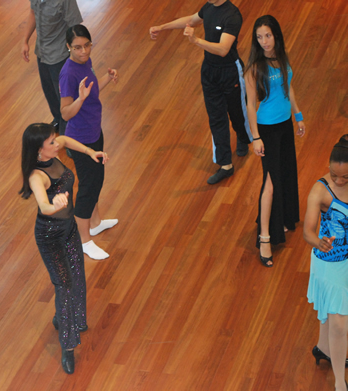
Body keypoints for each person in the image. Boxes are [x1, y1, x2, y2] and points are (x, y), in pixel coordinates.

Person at [19, 123, 108, 374]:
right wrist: (54, 203)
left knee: (78, 275)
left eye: (54, 139)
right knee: (65, 285)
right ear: (39, 150)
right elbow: (44, 208)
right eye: (51, 142)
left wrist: (91, 152)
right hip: (50, 236)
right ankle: (67, 347)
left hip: (68, 229)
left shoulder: (57, 149)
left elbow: (68, 140)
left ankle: (67, 317)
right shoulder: (36, 176)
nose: (57, 143)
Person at [149, 0, 252, 184]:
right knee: (216, 117)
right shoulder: (208, 7)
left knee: (237, 112)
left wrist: (195, 40)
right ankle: (225, 165)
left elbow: (223, 49)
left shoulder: (233, 15)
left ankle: (243, 138)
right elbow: (191, 19)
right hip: (209, 71)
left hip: (230, 71)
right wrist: (162, 27)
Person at [244, 15, 305, 267]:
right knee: (269, 182)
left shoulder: (282, 58)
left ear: (276, 35)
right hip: (267, 130)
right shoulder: (254, 68)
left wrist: (298, 116)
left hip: (285, 126)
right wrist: (255, 137)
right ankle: (265, 237)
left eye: (267, 35)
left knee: (285, 173)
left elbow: (288, 88)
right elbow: (250, 105)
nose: (264, 41)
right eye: (259, 37)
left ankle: (281, 219)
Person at [59, 24, 118, 260]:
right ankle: (83, 240)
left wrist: (107, 77)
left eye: (87, 45)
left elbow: (91, 92)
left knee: (97, 179)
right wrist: (80, 99)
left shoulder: (85, 63)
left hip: (95, 131)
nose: (83, 51)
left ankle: (95, 223)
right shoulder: (68, 73)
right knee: (88, 187)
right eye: (77, 47)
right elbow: (65, 113)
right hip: (81, 139)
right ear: (68, 47)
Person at [304, 135, 348, 391]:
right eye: (335, 175)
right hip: (329, 261)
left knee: (332, 314)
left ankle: (323, 348)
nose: (340, 180)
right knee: (340, 322)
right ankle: (340, 383)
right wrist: (318, 242)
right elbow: (308, 231)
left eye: (346, 177)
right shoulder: (320, 189)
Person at [20, 0, 83, 133]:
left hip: (60, 56)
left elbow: (75, 27)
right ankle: (58, 120)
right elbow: (33, 13)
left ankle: (69, 132)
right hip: (42, 53)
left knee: (64, 97)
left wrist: (78, 56)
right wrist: (25, 40)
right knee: (49, 91)